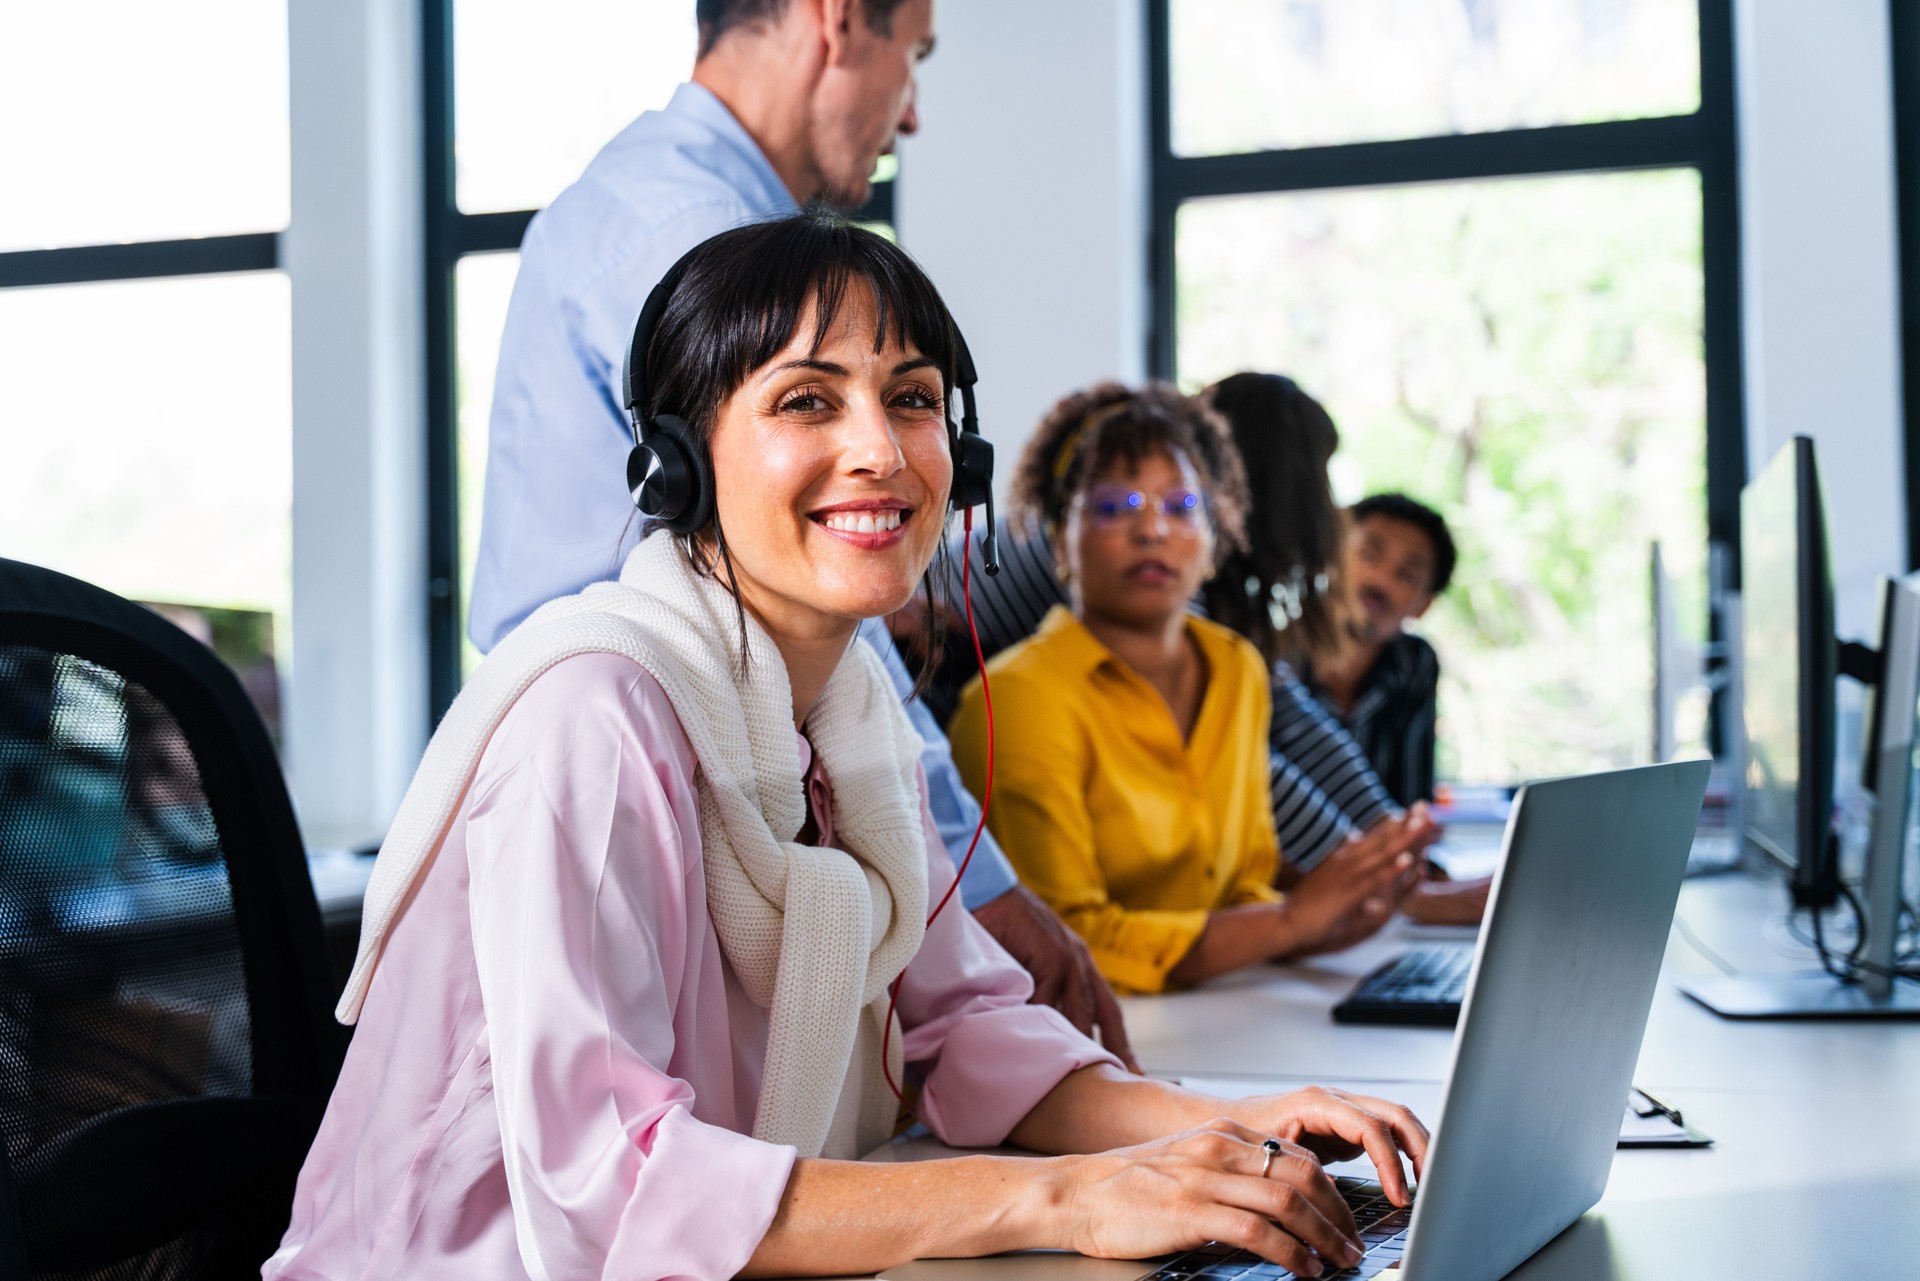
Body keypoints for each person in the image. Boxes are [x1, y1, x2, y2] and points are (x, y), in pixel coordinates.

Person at [265, 215, 1427, 1280]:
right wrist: (1063, 1197)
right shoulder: (595, 720)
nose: (881, 450)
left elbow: (962, 1026)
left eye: (912, 399)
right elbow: (610, 1188)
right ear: (678, 463)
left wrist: (1229, 1124)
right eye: (807, 401)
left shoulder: (850, 717)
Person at [466, 0, 1131, 1060]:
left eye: (910, 399)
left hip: (709, 785)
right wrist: (983, 890)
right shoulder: (702, 242)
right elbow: (629, 1192)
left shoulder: (662, 206)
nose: (908, 115)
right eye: (912, 57)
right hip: (641, 797)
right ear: (832, 21)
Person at [947, 385, 1427, 995]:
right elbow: (1065, 939)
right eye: (1115, 506)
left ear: (1215, 535)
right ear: (1057, 536)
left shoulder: (1238, 670)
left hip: (1216, 1009)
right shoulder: (1017, 700)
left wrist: (1329, 922)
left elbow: (1242, 888)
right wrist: (1289, 921)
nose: (1152, 530)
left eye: (1180, 506)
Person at [1306, 492, 1456, 811]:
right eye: (1369, 555)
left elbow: (1412, 802)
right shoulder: (1272, 653)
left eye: (1406, 575)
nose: (1379, 581)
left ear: (1423, 605)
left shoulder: (1415, 665)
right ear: (1333, 554)